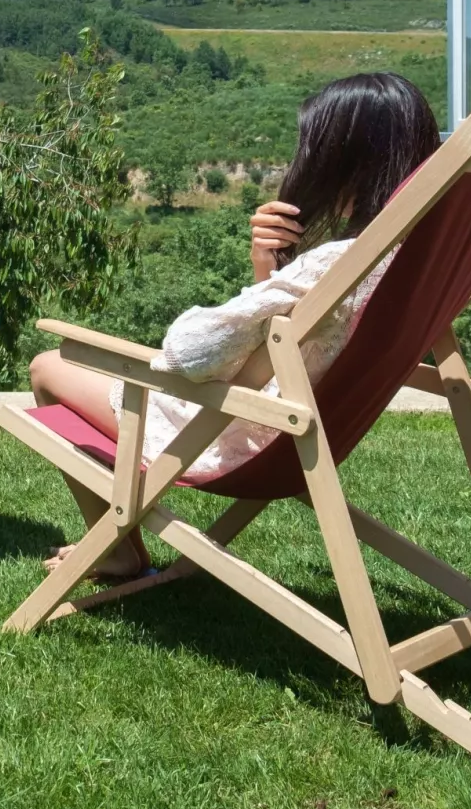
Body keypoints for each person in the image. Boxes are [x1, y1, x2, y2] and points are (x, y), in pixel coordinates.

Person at [30, 72, 441, 579]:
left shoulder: (338, 263)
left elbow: (189, 353)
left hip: (239, 434)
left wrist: (266, 288)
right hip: (301, 434)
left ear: (344, 162)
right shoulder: (414, 261)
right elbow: (292, 344)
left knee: (50, 365)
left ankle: (116, 548)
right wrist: (268, 271)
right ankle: (118, 546)